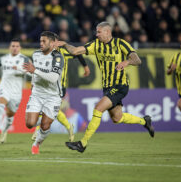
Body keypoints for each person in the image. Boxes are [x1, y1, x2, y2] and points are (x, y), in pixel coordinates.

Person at [56, 21, 155, 153]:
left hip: (120, 85)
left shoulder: (120, 43)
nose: (96, 35)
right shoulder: (96, 45)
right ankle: (144, 121)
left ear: (107, 32)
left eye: (99, 32)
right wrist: (64, 44)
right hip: (107, 87)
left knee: (98, 109)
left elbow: (137, 60)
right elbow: (75, 51)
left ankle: (82, 143)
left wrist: (127, 61)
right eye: (96, 32)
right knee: (117, 118)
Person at [31, 33, 90, 141]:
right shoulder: (43, 54)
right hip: (45, 86)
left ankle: (39, 130)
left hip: (59, 87)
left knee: (49, 109)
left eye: (55, 42)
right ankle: (68, 127)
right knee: (50, 109)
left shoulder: (63, 52)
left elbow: (78, 54)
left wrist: (85, 67)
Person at [23, 31, 64, 154]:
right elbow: (33, 72)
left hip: (53, 96)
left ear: (52, 43)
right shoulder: (35, 54)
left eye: (44, 41)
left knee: (45, 126)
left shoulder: (57, 57)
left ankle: (36, 144)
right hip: (37, 94)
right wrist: (32, 81)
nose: (41, 43)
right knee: (30, 124)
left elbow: (53, 78)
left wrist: (35, 71)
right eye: (40, 41)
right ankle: (46, 117)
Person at [0, 39, 30, 143]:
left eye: (17, 46)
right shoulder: (3, 59)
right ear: (9, 47)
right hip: (4, 88)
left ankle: (4, 131)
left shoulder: (24, 59)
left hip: (16, 92)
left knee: (10, 115)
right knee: (0, 106)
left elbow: (33, 73)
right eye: (13, 46)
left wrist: (19, 68)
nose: (15, 48)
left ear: (20, 48)